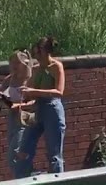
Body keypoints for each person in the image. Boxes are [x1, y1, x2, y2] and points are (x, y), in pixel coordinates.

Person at [14, 36, 67, 176]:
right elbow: (30, 90)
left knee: (54, 153)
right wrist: (25, 93)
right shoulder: (36, 69)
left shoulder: (56, 66)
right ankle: (24, 176)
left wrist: (33, 91)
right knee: (24, 148)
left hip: (52, 109)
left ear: (44, 51)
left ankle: (58, 179)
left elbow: (59, 92)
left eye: (37, 52)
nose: (36, 55)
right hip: (38, 109)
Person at [0, 50, 33, 177]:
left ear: (24, 64)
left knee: (15, 153)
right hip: (12, 116)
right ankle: (23, 176)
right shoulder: (10, 78)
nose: (14, 66)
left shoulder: (30, 79)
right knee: (14, 149)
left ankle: (22, 177)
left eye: (17, 63)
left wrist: (20, 105)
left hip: (26, 117)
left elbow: (36, 101)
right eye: (12, 62)